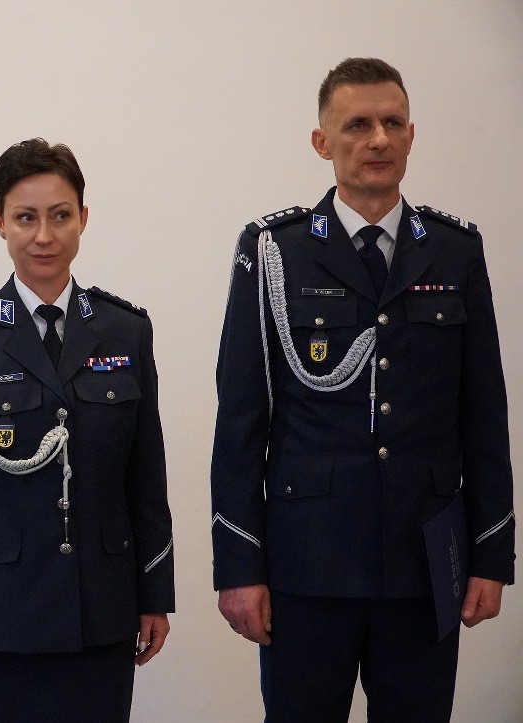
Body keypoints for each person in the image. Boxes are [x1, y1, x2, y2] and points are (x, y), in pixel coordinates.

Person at [211, 57, 514, 721]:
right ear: (322, 142)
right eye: (357, 125)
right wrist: (239, 566)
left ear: (411, 135)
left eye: (392, 123)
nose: (378, 139)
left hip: (424, 560)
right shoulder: (274, 251)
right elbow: (240, 421)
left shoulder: (455, 251)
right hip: (307, 563)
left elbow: (484, 413)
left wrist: (492, 552)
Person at [0, 138, 174, 721]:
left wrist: (155, 594)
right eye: (25, 218)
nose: (44, 236)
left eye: (60, 216)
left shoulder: (125, 330)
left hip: (99, 608)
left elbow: (146, 474)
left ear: (84, 218)